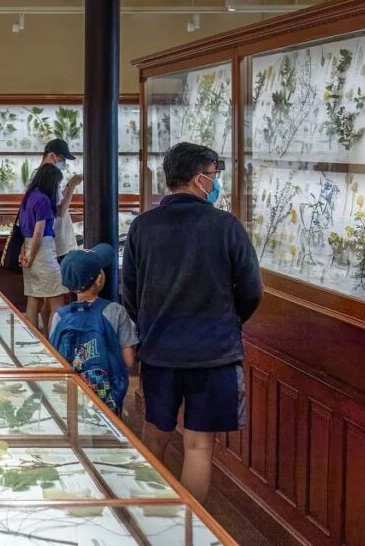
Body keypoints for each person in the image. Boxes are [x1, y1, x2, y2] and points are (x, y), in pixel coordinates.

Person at [122, 142, 263, 503]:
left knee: (154, 436)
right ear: (200, 179)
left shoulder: (143, 226)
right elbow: (252, 291)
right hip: (214, 354)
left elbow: (131, 292)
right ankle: (188, 534)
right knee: (199, 447)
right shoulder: (227, 227)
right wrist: (228, 321)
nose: (216, 183)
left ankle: (146, 523)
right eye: (214, 176)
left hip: (159, 352)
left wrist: (152, 323)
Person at [50, 243, 138, 415]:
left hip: (72, 394)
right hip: (108, 395)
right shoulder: (116, 311)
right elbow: (129, 360)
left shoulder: (59, 316)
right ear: (99, 279)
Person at [18, 164, 69, 335]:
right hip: (42, 252)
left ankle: (35, 339)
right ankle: (56, 343)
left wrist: (25, 253)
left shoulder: (29, 196)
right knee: (57, 299)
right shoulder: (44, 200)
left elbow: (22, 228)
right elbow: (39, 231)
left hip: (27, 246)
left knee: (33, 299)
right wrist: (32, 256)